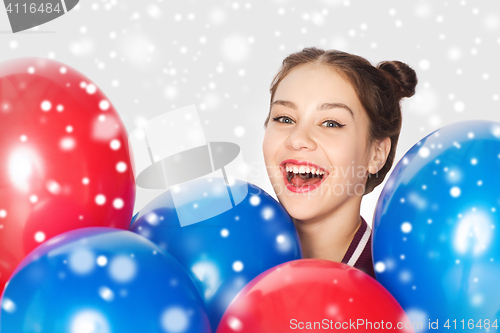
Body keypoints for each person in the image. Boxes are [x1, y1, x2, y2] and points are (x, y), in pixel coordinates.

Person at [262, 47, 417, 278]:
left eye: (331, 123)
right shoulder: (232, 259)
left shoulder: (396, 289)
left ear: (377, 154)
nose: (297, 139)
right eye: (284, 118)